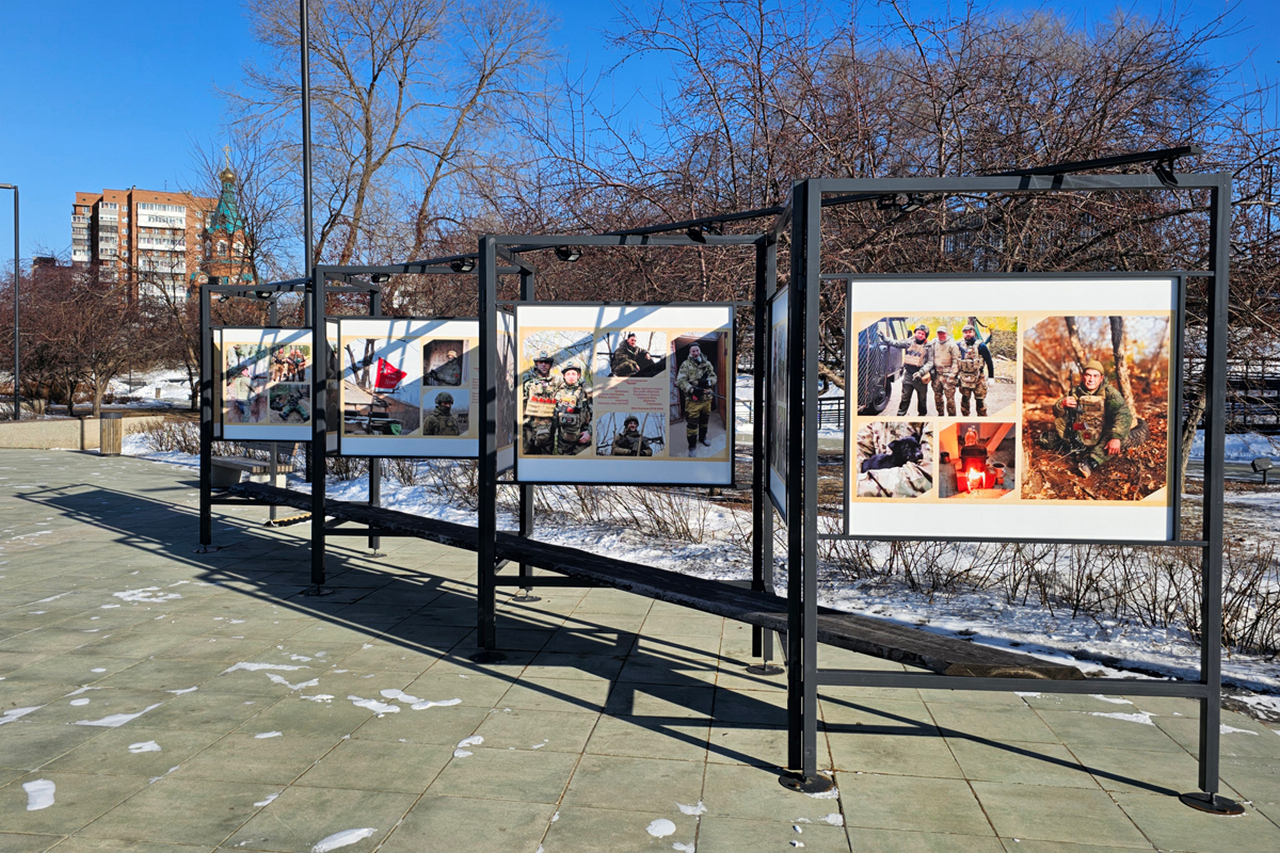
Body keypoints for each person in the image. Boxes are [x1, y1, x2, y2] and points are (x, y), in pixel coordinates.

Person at [1038, 359, 1138, 478]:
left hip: (1102, 430)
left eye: (1095, 376)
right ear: (1083, 377)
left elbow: (1123, 413)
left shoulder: (1109, 392)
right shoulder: (1075, 391)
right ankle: (1071, 443)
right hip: (1083, 428)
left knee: (1120, 435)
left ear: (1101, 378)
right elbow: (1057, 413)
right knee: (1057, 427)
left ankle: (1091, 461)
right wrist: (1062, 404)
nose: (1091, 379)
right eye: (1088, 375)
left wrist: (1116, 437)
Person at [882, 323, 933, 416]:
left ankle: (922, 416)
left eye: (923, 334)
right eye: (919, 333)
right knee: (905, 398)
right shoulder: (909, 342)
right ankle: (900, 416)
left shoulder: (928, 346)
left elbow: (930, 362)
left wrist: (921, 372)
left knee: (922, 399)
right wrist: (885, 339)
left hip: (921, 377)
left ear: (925, 336)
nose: (920, 335)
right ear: (915, 333)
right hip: (909, 375)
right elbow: (896, 343)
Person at [676, 343, 717, 455]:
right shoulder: (685, 364)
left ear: (700, 351)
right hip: (693, 400)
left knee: (704, 421)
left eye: (697, 350)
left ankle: (702, 438)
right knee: (692, 424)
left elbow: (714, 377)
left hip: (707, 398)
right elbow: (680, 381)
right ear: (690, 352)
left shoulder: (707, 364)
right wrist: (692, 389)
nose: (695, 353)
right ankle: (692, 447)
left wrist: (708, 382)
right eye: (693, 351)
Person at [521, 350, 558, 454]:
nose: (543, 365)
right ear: (536, 364)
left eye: (546, 362)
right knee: (526, 455)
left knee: (545, 457)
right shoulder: (526, 379)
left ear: (550, 365)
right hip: (527, 427)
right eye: (540, 362)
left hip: (547, 428)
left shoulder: (555, 382)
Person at [552, 360, 592, 455]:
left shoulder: (586, 391)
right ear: (564, 376)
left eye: (573, 374)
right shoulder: (557, 392)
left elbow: (596, 412)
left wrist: (589, 432)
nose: (571, 376)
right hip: (563, 440)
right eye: (568, 374)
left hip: (582, 438)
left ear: (578, 375)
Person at [957, 323, 995, 417]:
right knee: (965, 401)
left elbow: (989, 361)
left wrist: (991, 377)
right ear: (963, 334)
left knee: (980, 401)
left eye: (970, 332)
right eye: (966, 332)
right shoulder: (959, 346)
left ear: (973, 332)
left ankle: (982, 420)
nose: (968, 334)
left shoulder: (981, 346)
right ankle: (965, 419)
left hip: (978, 378)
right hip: (964, 378)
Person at [930, 325, 961, 417]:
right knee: (937, 397)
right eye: (939, 333)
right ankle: (940, 414)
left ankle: (952, 417)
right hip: (937, 374)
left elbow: (956, 361)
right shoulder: (934, 343)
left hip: (948, 375)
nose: (941, 335)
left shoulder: (952, 345)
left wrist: (952, 374)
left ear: (947, 334)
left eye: (943, 333)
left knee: (950, 399)